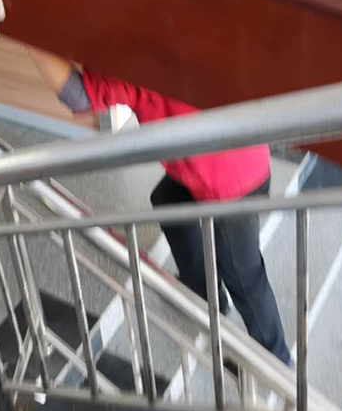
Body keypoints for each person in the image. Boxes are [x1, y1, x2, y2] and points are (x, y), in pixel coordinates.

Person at [30, 50, 292, 366]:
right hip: (226, 158)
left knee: (244, 277)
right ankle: (202, 295)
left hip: (232, 185)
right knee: (168, 201)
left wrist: (26, 39)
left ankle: (277, 362)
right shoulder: (173, 44)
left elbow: (79, 96)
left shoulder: (140, 62)